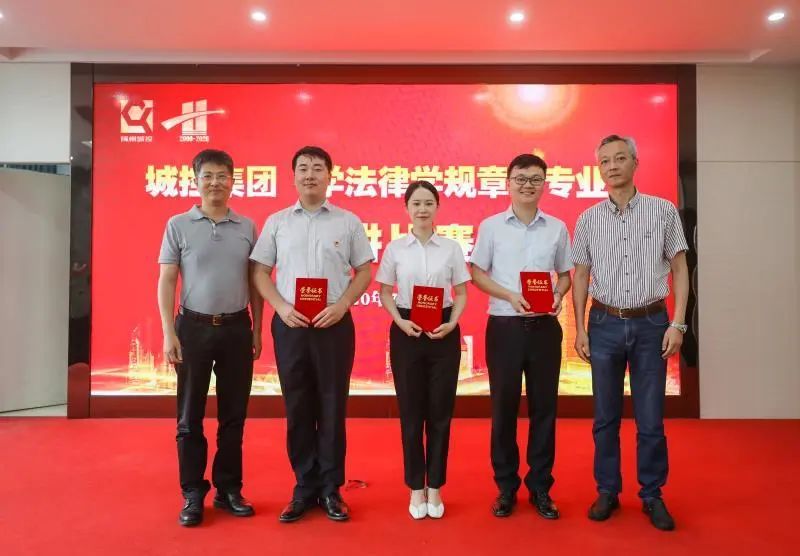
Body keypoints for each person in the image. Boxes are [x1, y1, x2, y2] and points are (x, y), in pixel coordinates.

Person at [572, 134, 689, 531]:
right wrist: (581, 329)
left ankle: (652, 494)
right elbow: (581, 276)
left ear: (635, 163)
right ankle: (607, 490)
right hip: (603, 324)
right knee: (605, 417)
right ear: (599, 169)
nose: (613, 166)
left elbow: (680, 269)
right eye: (605, 161)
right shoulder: (588, 219)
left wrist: (678, 323)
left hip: (652, 324)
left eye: (620, 158)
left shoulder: (663, 211)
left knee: (651, 418)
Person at [250, 146, 373, 522]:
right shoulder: (277, 222)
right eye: (303, 168)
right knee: (298, 405)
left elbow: (364, 271)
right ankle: (304, 487)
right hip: (291, 325)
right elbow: (259, 272)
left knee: (333, 406)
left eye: (317, 168)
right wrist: (281, 307)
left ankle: (331, 489)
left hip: (333, 324)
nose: (310, 175)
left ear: (329, 176)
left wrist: (343, 305)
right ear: (293, 176)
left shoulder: (347, 222)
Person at [157, 148, 263, 527]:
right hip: (193, 328)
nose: (215, 183)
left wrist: (257, 328)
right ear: (196, 180)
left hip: (236, 329)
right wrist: (169, 332)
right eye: (208, 176)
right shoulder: (178, 224)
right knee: (189, 418)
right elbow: (167, 279)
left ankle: (228, 489)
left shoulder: (247, 227)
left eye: (222, 176)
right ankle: (192, 493)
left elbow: (255, 281)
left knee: (234, 416)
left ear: (233, 181)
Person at [470, 153, 573, 519]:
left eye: (535, 179)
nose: (528, 185)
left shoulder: (557, 227)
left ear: (544, 184)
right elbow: (476, 273)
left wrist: (558, 294)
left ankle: (541, 487)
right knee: (504, 409)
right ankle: (506, 487)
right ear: (508, 182)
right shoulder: (491, 227)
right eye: (521, 178)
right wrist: (509, 295)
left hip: (544, 328)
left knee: (545, 409)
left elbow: (565, 274)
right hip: (505, 327)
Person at [376, 180, 470, 520]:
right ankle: (416, 487)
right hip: (407, 329)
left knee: (440, 413)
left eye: (428, 203)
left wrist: (452, 323)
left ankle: (436, 487)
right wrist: (400, 322)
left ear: (437, 208)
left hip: (443, 329)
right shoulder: (395, 248)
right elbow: (385, 292)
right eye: (416, 203)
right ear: (406, 208)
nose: (422, 209)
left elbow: (461, 292)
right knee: (412, 413)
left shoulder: (451, 248)